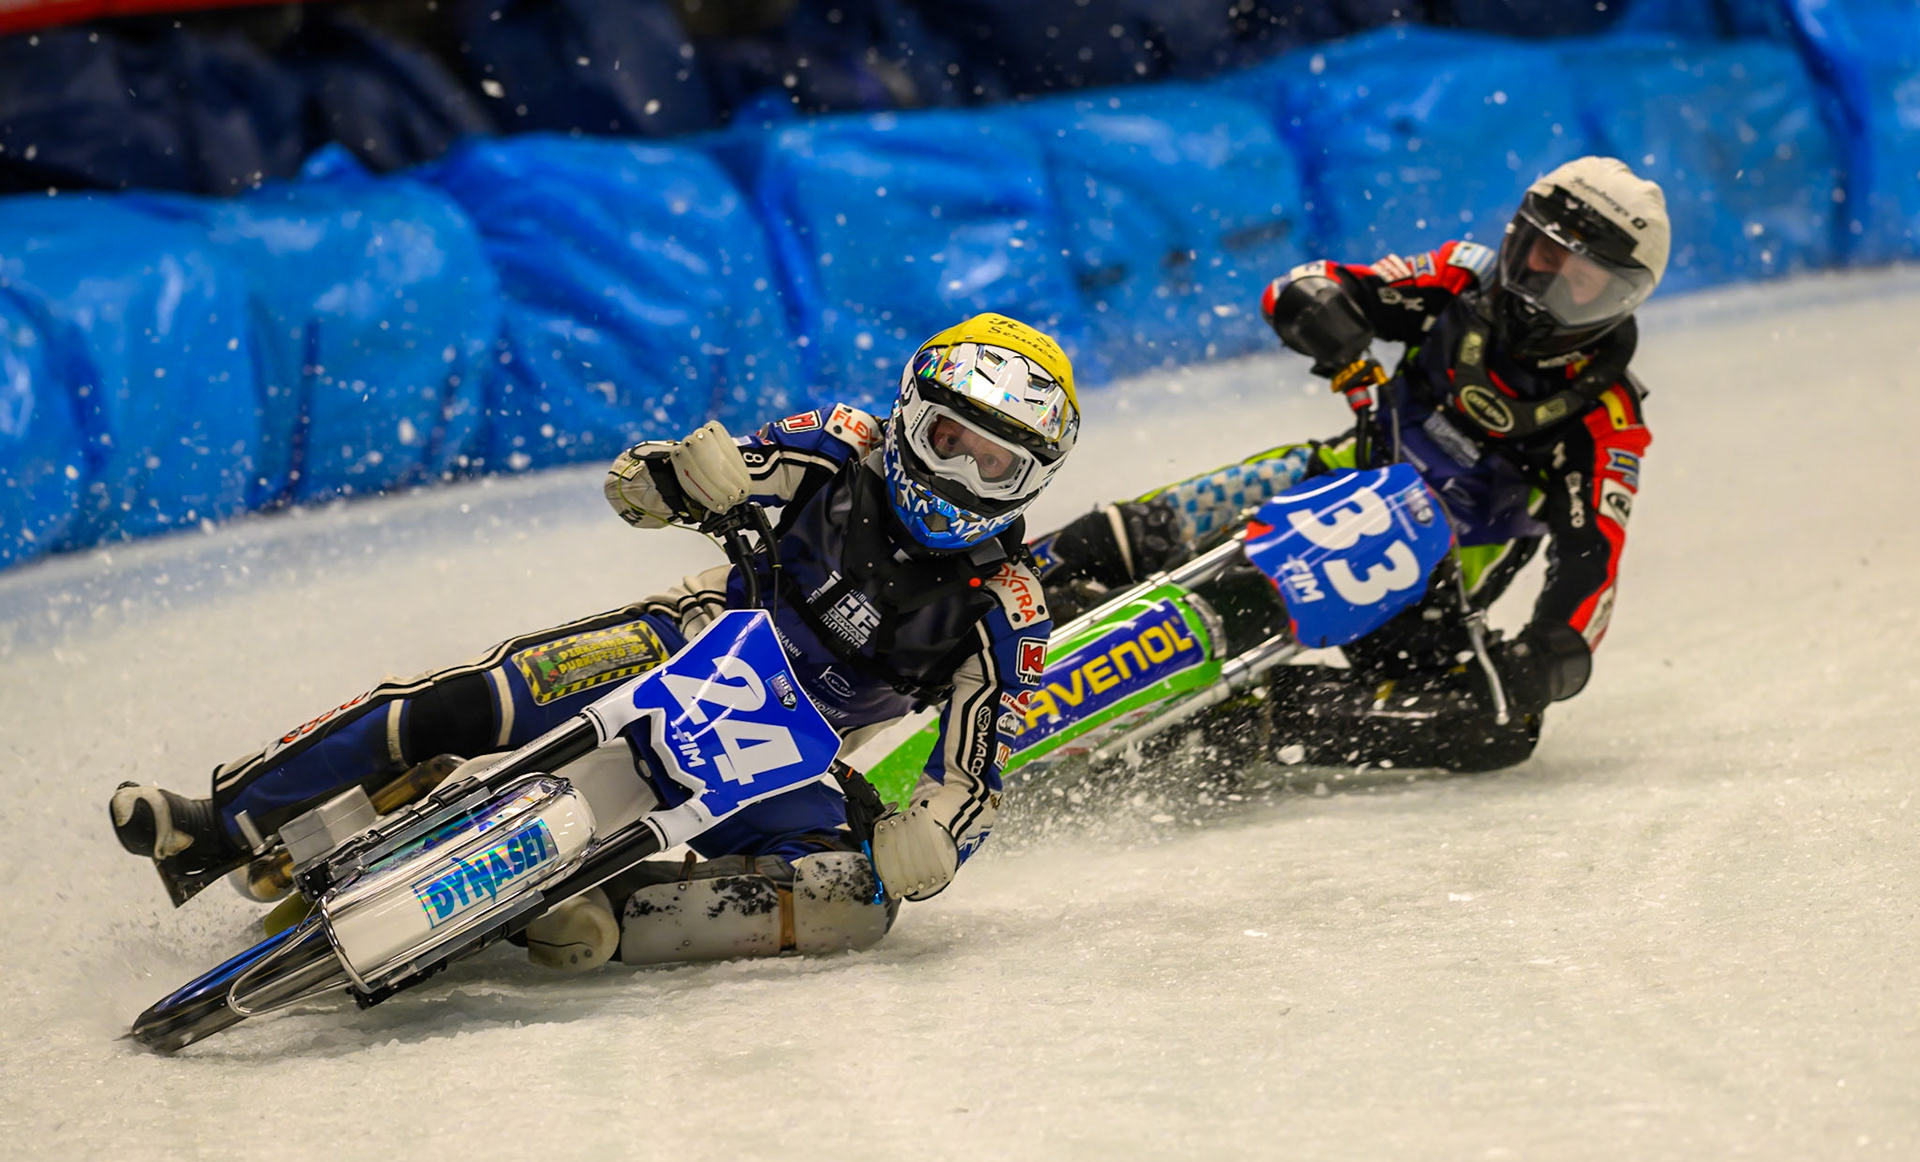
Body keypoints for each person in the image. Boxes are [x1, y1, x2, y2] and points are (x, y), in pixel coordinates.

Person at [110, 312, 1076, 969]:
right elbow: (661, 481)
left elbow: (975, 770)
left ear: (1029, 486)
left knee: (856, 902)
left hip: (789, 754)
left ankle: (608, 913)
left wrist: (938, 839)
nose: (959, 477)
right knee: (475, 698)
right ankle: (219, 822)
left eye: (996, 467)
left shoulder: (1008, 608)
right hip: (690, 636)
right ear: (910, 413)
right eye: (951, 440)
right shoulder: (841, 442)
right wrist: (676, 476)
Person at [1030, 157, 1667, 773]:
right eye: (1544, 254)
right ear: (1518, 234)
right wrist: (1330, 322)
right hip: (1334, 472)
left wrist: (1544, 659)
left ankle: (1249, 715)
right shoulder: (1462, 278)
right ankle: (990, 592)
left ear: (1619, 300)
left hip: (1431, 583)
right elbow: (1306, 286)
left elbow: (1591, 568)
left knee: (1501, 727)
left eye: (1579, 282)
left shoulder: (1608, 421)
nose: (1542, 285)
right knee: (1114, 533)